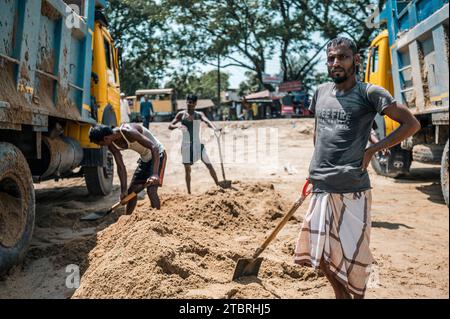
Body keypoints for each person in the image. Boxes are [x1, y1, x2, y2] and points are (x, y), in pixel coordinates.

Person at [294, 37, 420, 299]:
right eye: (331, 58)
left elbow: (411, 124)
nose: (336, 63)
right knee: (322, 253)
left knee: (355, 261)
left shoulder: (369, 93)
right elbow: (319, 132)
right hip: (321, 187)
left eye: (342, 57)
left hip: (353, 189)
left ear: (356, 60)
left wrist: (373, 149)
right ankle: (341, 295)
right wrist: (316, 167)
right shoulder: (320, 92)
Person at [89, 123, 167, 214]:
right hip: (145, 159)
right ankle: (127, 220)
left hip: (158, 155)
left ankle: (158, 219)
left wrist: (154, 174)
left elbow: (154, 148)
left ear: (106, 138)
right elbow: (121, 166)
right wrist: (123, 191)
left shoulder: (129, 132)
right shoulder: (111, 144)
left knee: (151, 190)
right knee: (130, 193)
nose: (102, 146)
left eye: (100, 143)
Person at [169, 94, 222, 194]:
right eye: (188, 102)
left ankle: (219, 186)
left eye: (192, 103)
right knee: (187, 170)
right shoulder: (181, 114)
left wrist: (214, 128)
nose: (189, 104)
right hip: (186, 146)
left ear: (195, 104)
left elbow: (207, 121)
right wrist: (178, 127)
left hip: (198, 145)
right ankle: (189, 193)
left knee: (209, 165)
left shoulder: (199, 114)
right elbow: (170, 125)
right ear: (186, 102)